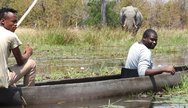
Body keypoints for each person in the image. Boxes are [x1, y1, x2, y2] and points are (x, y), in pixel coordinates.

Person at [0, 7, 36, 88]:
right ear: (2, 21)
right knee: (31, 63)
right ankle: (30, 94)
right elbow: (20, 61)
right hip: (2, 81)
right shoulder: (11, 35)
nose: (16, 24)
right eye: (13, 22)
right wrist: (28, 53)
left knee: (10, 79)